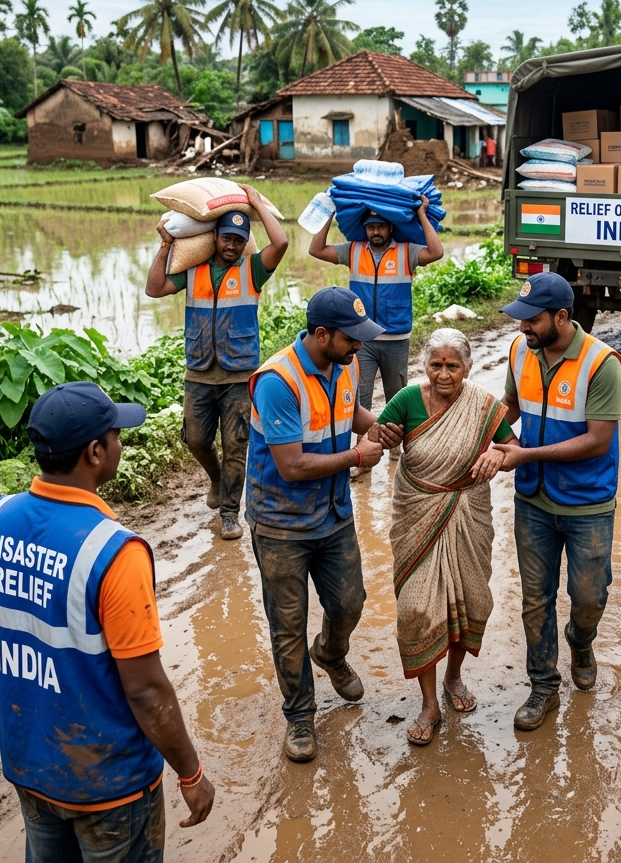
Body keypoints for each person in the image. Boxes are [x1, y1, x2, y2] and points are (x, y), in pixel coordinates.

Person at [0, 382, 215, 861]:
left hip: (31, 765)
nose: (120, 444)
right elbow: (146, 691)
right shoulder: (114, 552)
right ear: (95, 452)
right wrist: (191, 773)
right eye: (115, 436)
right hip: (111, 787)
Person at [245, 286, 402, 763]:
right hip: (281, 524)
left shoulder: (346, 363)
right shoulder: (277, 381)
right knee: (287, 625)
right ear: (320, 334)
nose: (360, 346)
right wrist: (358, 456)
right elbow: (291, 465)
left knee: (350, 602)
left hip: (332, 514)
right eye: (351, 338)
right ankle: (300, 716)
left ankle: (330, 653)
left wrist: (380, 427)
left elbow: (349, 413)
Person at [494, 273, 621, 731]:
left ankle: (581, 639)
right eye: (520, 320)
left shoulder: (601, 363)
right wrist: (483, 431)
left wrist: (524, 453)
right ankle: (543, 685)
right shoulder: (519, 351)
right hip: (533, 499)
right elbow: (510, 405)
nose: (523, 329)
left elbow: (596, 440)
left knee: (589, 596)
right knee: (536, 598)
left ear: (563, 318)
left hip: (587, 501)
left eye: (531, 321)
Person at [378, 328, 517, 746]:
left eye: (452, 365)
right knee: (416, 609)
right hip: (417, 514)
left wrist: (497, 452)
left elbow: (513, 450)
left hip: (467, 513)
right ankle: (428, 704)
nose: (443, 373)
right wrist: (383, 438)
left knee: (472, 599)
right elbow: (376, 439)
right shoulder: (405, 400)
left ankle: (453, 678)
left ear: (467, 369)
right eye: (435, 364)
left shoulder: (484, 405)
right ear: (425, 366)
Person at [145, 186, 289, 540]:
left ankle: (229, 513)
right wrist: (165, 245)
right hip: (199, 371)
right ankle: (216, 477)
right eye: (226, 238)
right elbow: (154, 288)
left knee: (236, 444)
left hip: (239, 374)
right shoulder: (192, 270)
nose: (231, 246)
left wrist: (257, 201)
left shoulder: (253, 270)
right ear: (214, 237)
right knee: (195, 440)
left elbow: (281, 244)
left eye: (238, 240)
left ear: (244, 243)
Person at [309, 197, 444, 431]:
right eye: (371, 227)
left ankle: (396, 451)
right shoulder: (354, 250)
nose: (376, 232)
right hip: (361, 341)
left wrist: (421, 213)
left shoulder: (406, 252)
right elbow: (316, 249)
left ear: (390, 227)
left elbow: (436, 252)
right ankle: (364, 453)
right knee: (361, 400)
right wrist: (330, 212)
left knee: (398, 399)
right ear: (365, 229)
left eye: (380, 226)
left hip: (397, 340)